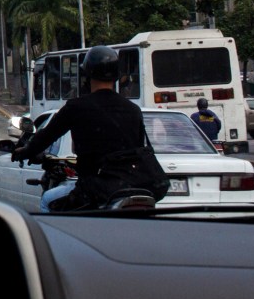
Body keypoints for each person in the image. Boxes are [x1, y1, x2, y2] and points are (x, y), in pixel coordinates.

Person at [10, 45, 150, 211]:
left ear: (87, 73)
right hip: (130, 186)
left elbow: (47, 135)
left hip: (94, 188)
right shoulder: (133, 110)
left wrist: (25, 151)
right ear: (117, 75)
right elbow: (140, 148)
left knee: (47, 199)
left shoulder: (76, 107)